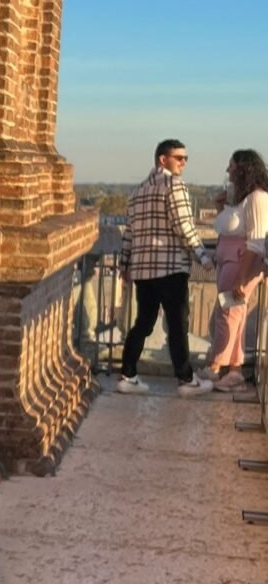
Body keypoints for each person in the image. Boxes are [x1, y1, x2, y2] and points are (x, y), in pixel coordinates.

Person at [116, 139, 215, 397]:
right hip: (171, 267)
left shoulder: (137, 192)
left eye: (185, 158)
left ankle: (127, 375)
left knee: (143, 323)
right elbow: (184, 226)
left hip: (143, 270)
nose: (184, 163)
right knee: (177, 324)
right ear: (163, 159)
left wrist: (124, 264)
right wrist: (202, 256)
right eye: (179, 158)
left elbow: (129, 234)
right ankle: (186, 379)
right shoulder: (174, 185)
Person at [202, 149, 268, 391]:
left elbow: (256, 241)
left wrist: (242, 277)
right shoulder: (243, 198)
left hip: (241, 263)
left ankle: (216, 366)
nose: (228, 170)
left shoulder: (258, 198)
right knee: (233, 316)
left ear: (243, 169)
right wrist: (221, 206)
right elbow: (231, 227)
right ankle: (234, 370)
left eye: (231, 166)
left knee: (227, 315)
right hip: (230, 262)